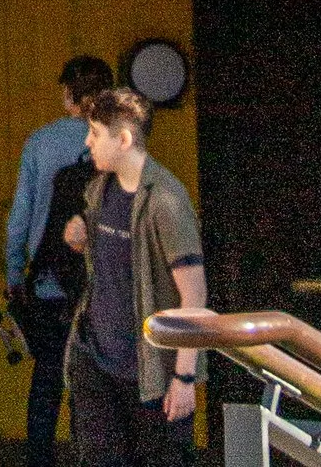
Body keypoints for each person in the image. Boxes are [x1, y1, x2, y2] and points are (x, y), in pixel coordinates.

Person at [62, 86, 206, 466]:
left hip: (150, 371)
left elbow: (194, 296)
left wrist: (184, 378)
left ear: (123, 139)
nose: (87, 142)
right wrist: (82, 232)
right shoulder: (98, 191)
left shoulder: (166, 200)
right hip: (97, 359)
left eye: (94, 133)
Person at [6, 56, 117, 466]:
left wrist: (15, 273)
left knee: (48, 375)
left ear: (70, 94)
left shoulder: (40, 142)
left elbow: (20, 218)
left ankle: (40, 459)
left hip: (49, 279)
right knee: (95, 380)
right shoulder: (120, 142)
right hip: (101, 283)